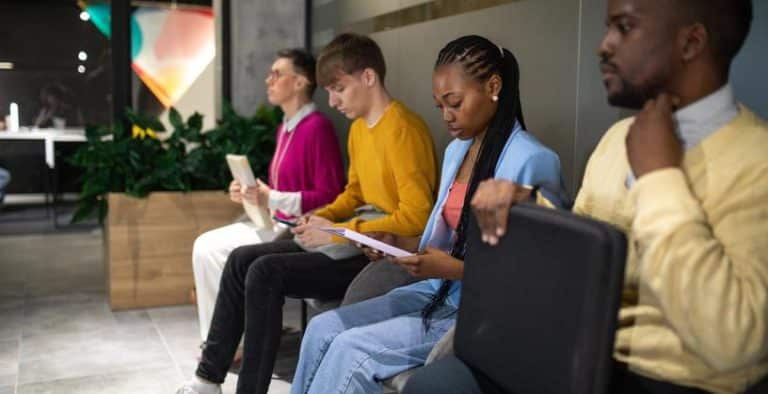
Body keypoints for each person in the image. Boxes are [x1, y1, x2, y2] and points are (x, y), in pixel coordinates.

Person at [405, 1, 768, 393]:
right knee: (435, 384)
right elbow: (585, 257)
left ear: (691, 42)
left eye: (624, 27)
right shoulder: (617, 140)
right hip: (575, 348)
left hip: (666, 379)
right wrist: (530, 208)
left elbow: (734, 342)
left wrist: (660, 176)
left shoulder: (756, 161)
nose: (604, 45)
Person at [291, 35, 568, 394]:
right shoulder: (456, 152)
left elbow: (537, 274)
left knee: (350, 349)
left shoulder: (532, 161)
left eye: (455, 103)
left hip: (480, 310)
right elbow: (442, 239)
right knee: (321, 329)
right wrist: (393, 242)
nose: (447, 116)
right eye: (440, 106)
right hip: (437, 291)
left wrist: (451, 268)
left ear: (493, 87)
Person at [176, 33, 438, 394]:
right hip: (352, 240)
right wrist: (320, 216)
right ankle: (207, 379)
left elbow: (417, 217)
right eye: (329, 91)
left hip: (377, 253)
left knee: (265, 272)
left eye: (339, 89)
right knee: (239, 260)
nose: (332, 101)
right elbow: (354, 193)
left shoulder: (405, 130)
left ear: (368, 77)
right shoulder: (360, 130)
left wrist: (339, 230)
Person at [191, 48, 345, 343]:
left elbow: (330, 195)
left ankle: (226, 341)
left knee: (209, 249)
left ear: (300, 82)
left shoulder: (317, 128)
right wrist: (250, 193)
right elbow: (279, 189)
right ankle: (226, 338)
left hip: (295, 229)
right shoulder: (285, 128)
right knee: (205, 246)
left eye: (276, 74)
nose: (268, 80)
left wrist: (270, 197)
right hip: (275, 222)